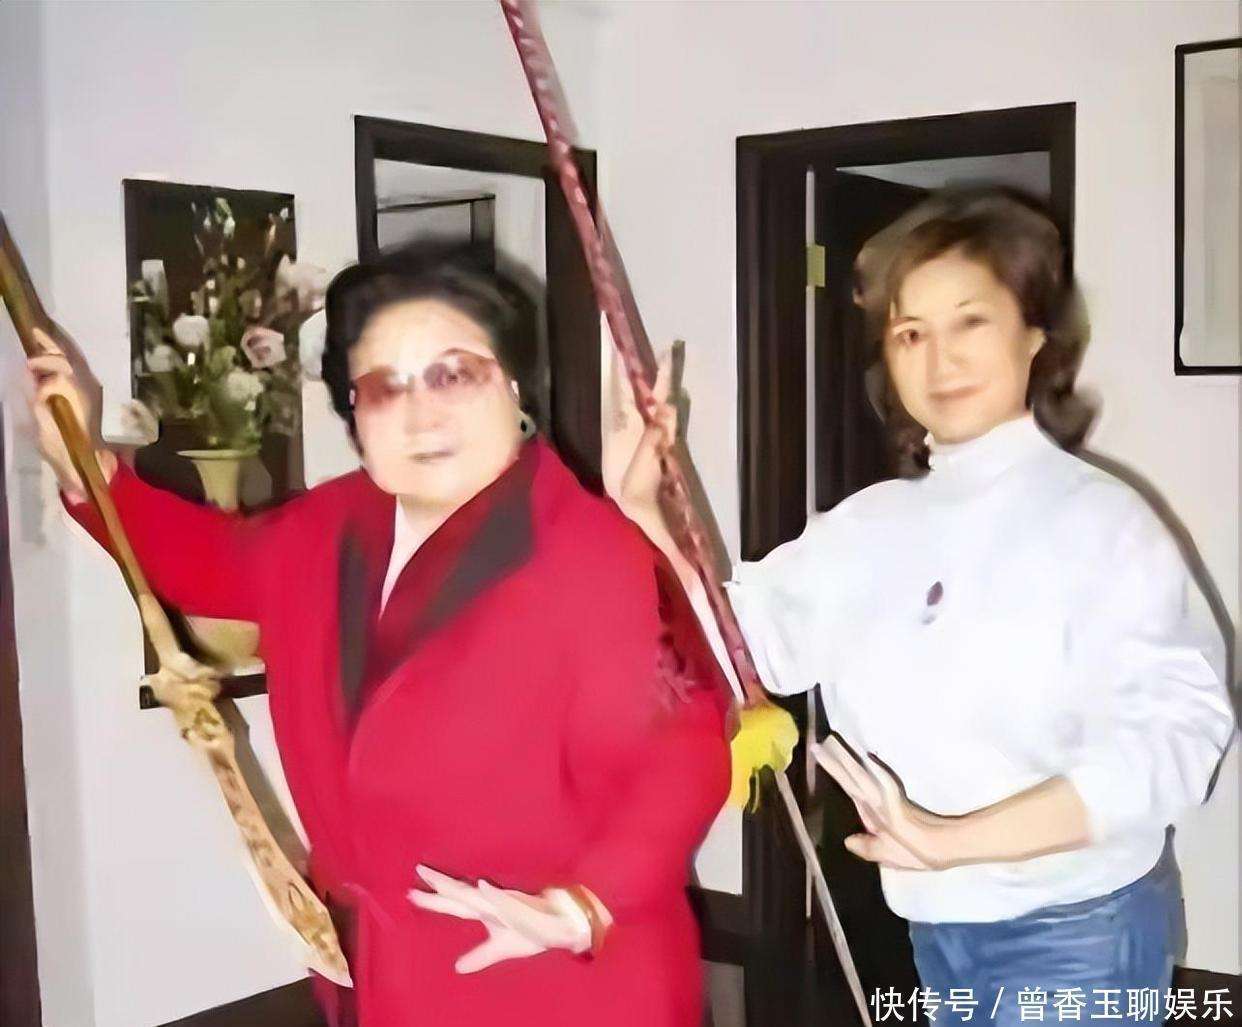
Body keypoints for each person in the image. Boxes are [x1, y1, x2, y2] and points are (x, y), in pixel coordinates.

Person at [25, 246, 731, 1027]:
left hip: (556, 976)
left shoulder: (593, 556)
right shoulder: (331, 525)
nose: (421, 414)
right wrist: (87, 464)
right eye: (385, 388)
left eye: (453, 374)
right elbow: (205, 560)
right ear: (354, 415)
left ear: (514, 385)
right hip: (382, 974)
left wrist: (582, 905)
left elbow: (681, 757)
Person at [614, 188, 1236, 1024]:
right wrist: (643, 510)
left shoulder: (1102, 524)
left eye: (970, 321)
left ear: (1036, 334)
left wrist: (952, 840)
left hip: (1078, 928)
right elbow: (731, 647)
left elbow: (1177, 740)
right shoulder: (868, 527)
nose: (941, 359)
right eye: (911, 332)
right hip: (937, 922)